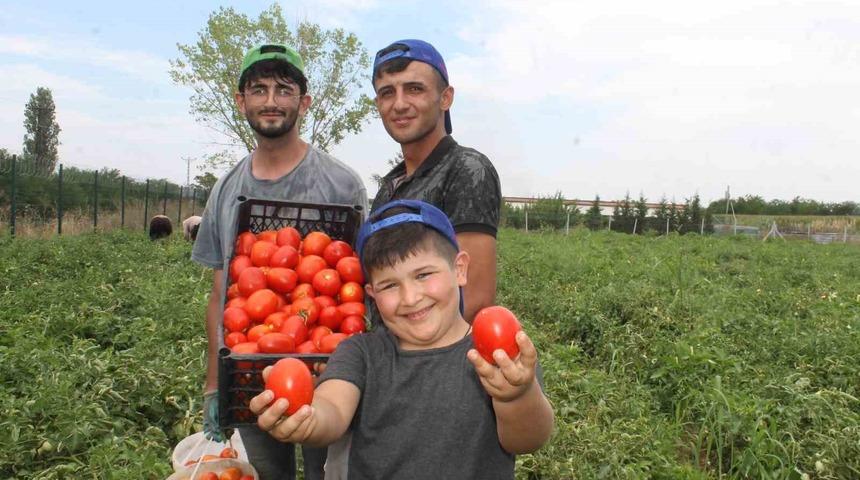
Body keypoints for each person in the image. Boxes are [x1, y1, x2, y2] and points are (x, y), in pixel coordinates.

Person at [249, 200, 554, 479]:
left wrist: (515, 395)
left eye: (423, 275)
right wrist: (309, 418)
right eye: (390, 285)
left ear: (459, 269)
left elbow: (527, 439)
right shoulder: (362, 353)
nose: (410, 298)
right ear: (372, 295)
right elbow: (333, 407)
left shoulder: (495, 352)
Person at [191, 43, 367, 480]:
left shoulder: (342, 184)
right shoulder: (226, 190)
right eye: (259, 89)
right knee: (265, 474)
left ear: (303, 103)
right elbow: (219, 294)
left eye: (284, 90)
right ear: (242, 101)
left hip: (331, 376)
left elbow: (363, 290)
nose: (271, 101)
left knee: (327, 474)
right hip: (250, 377)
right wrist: (215, 382)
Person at [370, 39, 502, 323]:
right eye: (387, 93)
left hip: (435, 363)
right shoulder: (389, 187)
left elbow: (475, 299)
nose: (400, 104)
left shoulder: (466, 169)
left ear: (445, 98)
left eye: (415, 89)